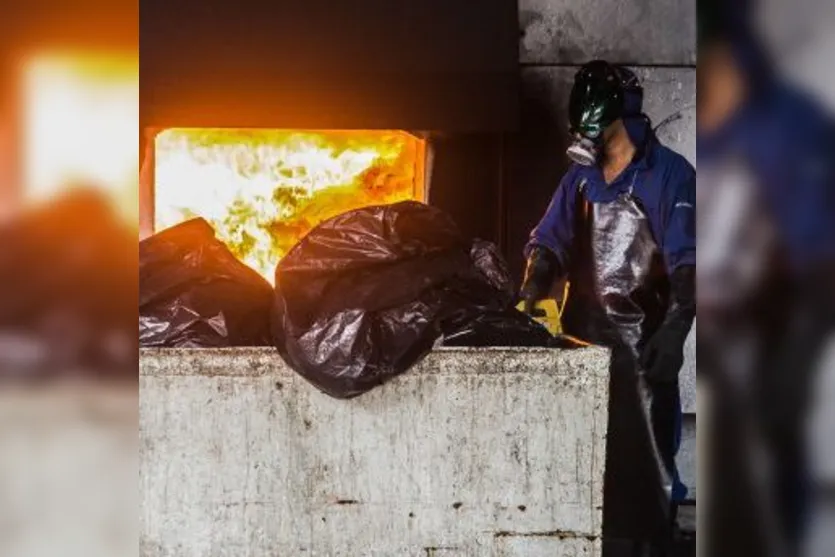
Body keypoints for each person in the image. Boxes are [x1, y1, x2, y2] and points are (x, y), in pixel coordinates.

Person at [520, 60, 696, 555]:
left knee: (648, 470)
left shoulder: (671, 177)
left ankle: (654, 543)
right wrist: (535, 280)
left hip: (643, 352)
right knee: (579, 470)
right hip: (581, 349)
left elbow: (690, 264)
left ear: (618, 118)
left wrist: (676, 331)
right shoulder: (579, 178)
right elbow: (549, 239)